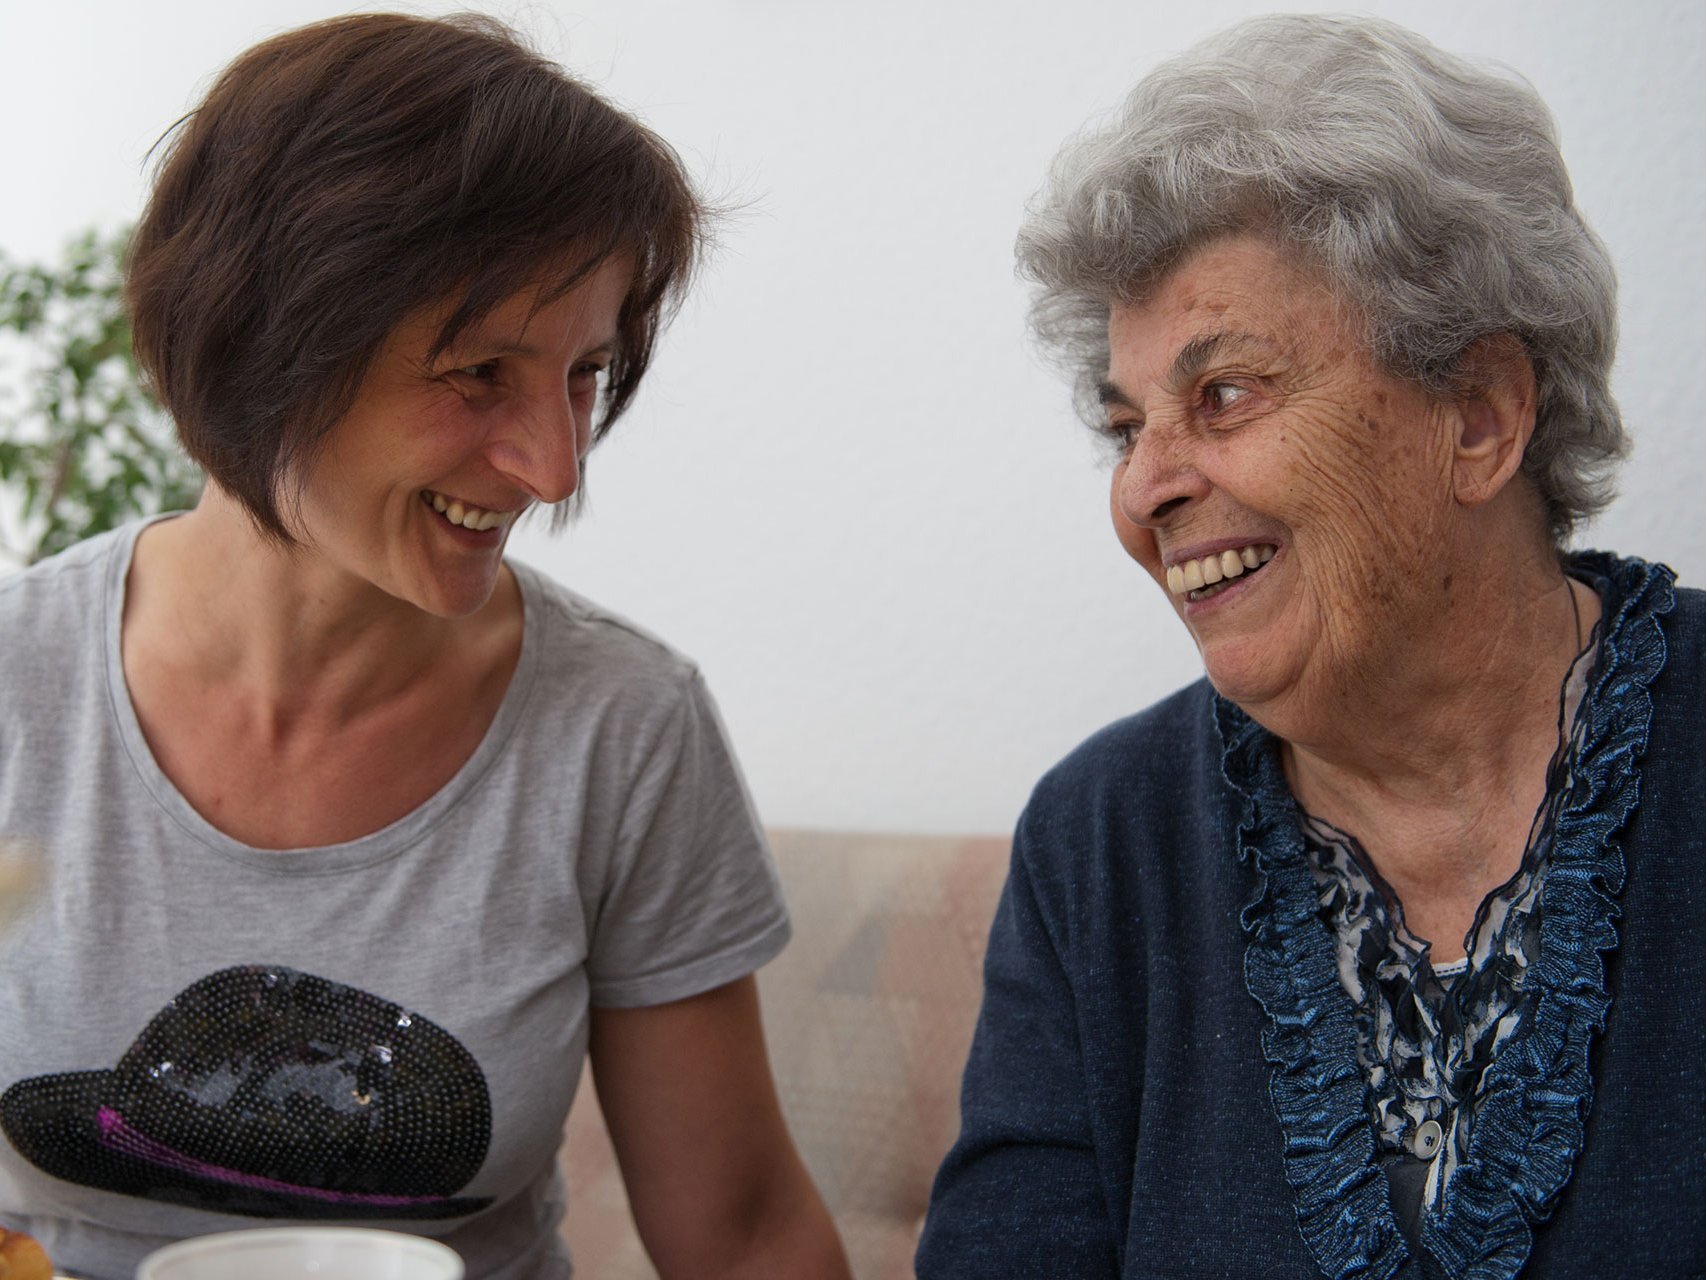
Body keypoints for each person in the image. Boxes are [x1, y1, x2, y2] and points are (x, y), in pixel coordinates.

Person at [0, 14, 849, 1280]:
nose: (555, 466)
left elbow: (736, 1235)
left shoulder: (620, 724)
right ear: (266, 338)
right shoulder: (19, 681)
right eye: (478, 373)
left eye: (584, 373)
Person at [917, 14, 1704, 1280]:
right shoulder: (1102, 843)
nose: (1142, 493)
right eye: (1126, 426)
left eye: (1221, 392)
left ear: (1480, 416)